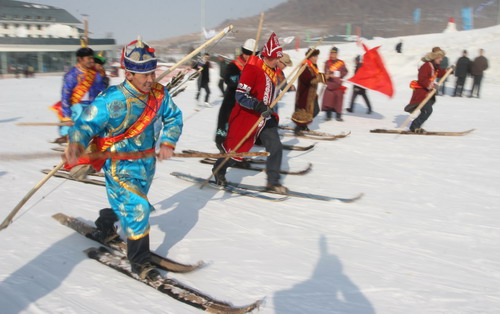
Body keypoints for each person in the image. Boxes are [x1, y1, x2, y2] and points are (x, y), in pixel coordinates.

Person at [64, 38, 183, 280]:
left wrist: (168, 141)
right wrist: (76, 143)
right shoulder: (111, 99)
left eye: (152, 73)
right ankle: (140, 263)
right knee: (138, 208)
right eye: (144, 75)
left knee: (127, 204)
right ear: (128, 74)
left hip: (147, 163)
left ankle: (105, 224)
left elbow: (174, 117)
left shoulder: (160, 94)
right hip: (119, 164)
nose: (150, 80)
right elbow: (85, 124)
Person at [212, 33, 288, 194]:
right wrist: (258, 105)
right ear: (267, 56)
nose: (278, 62)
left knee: (275, 146)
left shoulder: (272, 70)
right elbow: (240, 95)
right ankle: (219, 168)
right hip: (248, 116)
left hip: (266, 117)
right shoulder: (253, 68)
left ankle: (273, 182)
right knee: (237, 151)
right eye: (275, 58)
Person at [50, 46, 107, 144]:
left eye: (92, 58)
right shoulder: (72, 75)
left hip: (93, 106)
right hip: (77, 108)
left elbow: (102, 91)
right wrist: (67, 117)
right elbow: (65, 96)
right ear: (80, 59)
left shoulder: (95, 73)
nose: (92, 61)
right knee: (80, 112)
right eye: (88, 58)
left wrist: (104, 79)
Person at [214, 39, 256, 152]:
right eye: (246, 53)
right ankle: (222, 147)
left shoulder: (255, 67)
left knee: (241, 129)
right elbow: (229, 79)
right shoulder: (234, 65)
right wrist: (243, 78)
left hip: (246, 103)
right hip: (231, 100)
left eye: (251, 54)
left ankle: (238, 151)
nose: (248, 56)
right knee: (226, 124)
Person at [404, 48, 448, 133]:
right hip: (421, 94)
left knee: (427, 111)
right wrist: (432, 85)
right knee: (427, 110)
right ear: (435, 57)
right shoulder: (426, 66)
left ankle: (415, 126)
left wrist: (448, 71)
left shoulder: (434, 66)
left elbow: (439, 73)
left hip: (426, 93)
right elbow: (422, 79)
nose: (441, 59)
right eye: (440, 57)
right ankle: (414, 127)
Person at [292, 48, 323, 133]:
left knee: (314, 110)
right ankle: (299, 127)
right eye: (314, 56)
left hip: (311, 95)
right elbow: (308, 80)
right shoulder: (304, 66)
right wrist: (322, 78)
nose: (316, 58)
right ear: (310, 57)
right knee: (303, 112)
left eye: (317, 56)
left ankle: (303, 126)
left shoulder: (313, 66)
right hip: (304, 95)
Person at [321, 46, 348, 121]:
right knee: (328, 101)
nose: (332, 55)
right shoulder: (327, 63)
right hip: (330, 85)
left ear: (337, 54)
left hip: (338, 86)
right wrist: (327, 74)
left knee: (338, 102)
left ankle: (338, 116)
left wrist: (338, 75)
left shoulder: (341, 63)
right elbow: (325, 71)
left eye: (334, 54)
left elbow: (345, 71)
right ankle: (328, 116)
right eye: (331, 53)